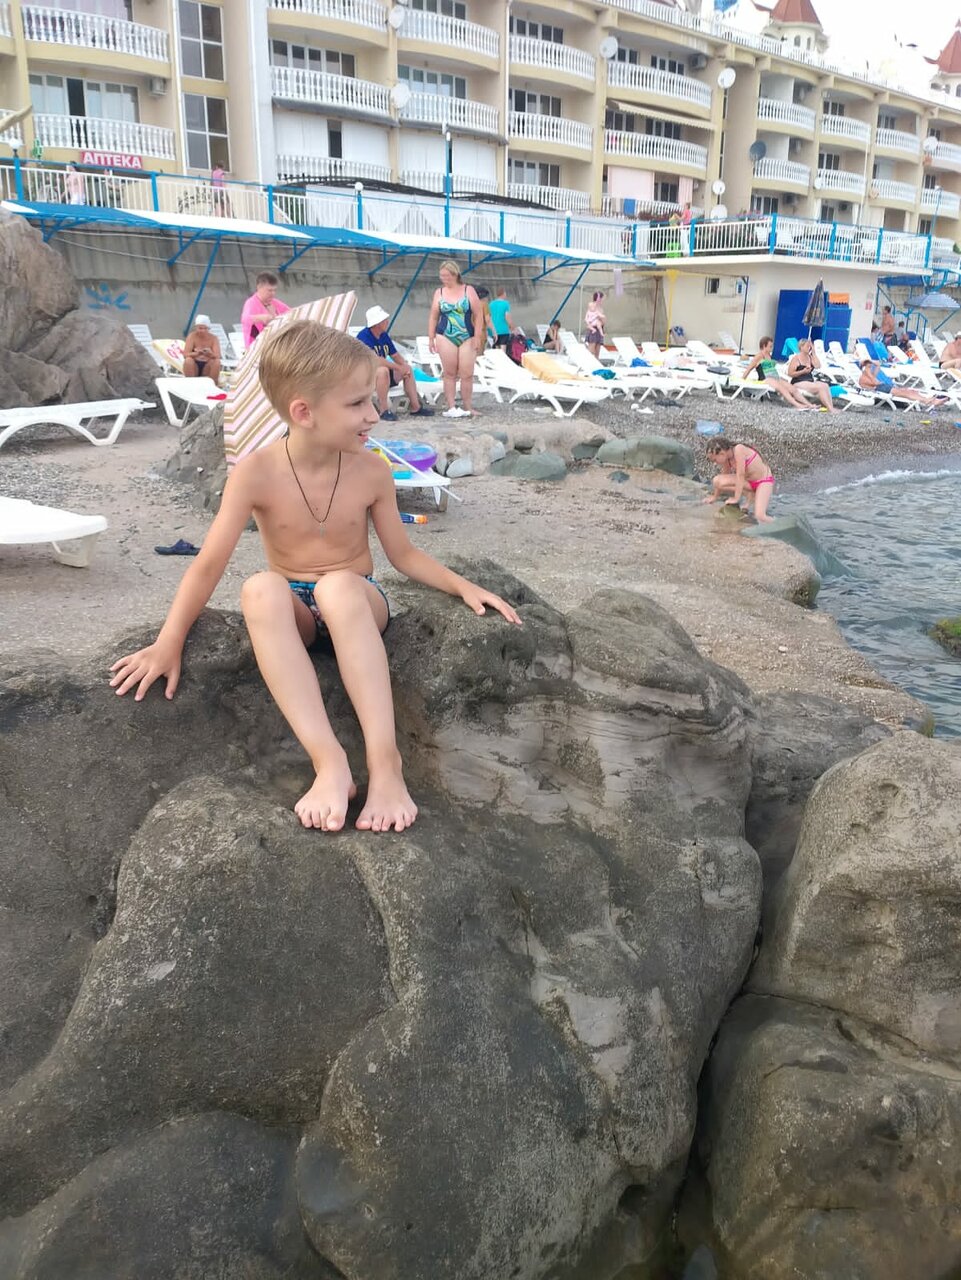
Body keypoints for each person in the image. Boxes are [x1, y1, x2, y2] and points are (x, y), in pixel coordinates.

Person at [110, 320, 521, 833]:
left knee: (338, 586)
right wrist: (169, 641)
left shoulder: (371, 470)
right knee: (259, 588)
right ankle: (330, 763)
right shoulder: (256, 473)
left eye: (372, 399)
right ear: (304, 412)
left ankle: (386, 765)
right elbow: (209, 563)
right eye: (357, 403)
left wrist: (464, 586)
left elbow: (402, 555)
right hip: (298, 611)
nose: (374, 414)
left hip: (357, 600)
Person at [355, 304, 434, 422]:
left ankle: (415, 407)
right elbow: (376, 360)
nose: (387, 322)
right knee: (383, 371)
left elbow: (394, 355)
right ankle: (383, 410)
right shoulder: (364, 337)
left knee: (407, 368)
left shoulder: (383, 335)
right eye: (384, 320)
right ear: (377, 323)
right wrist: (397, 367)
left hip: (382, 375)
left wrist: (403, 366)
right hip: (367, 376)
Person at [428, 259, 484, 419]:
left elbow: (478, 314)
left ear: (455, 275)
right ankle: (451, 406)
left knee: (467, 373)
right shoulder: (439, 293)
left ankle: (468, 406)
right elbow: (433, 316)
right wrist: (431, 337)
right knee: (449, 373)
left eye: (447, 275)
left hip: (467, 334)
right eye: (442, 276)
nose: (444, 279)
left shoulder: (468, 290)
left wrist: (478, 336)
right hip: (445, 335)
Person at [702, 439, 776, 524]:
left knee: (760, 516)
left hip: (763, 482)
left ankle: (779, 523)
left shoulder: (738, 449)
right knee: (717, 481)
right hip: (748, 482)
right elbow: (724, 476)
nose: (715, 463)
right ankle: (750, 495)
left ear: (722, 453)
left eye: (715, 460)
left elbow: (740, 475)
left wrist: (736, 498)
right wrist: (714, 497)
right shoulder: (727, 458)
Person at [742, 336, 818, 410]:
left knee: (793, 389)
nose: (772, 348)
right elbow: (749, 369)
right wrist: (742, 380)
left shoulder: (768, 355)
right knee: (782, 389)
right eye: (770, 346)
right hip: (766, 378)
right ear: (764, 346)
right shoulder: (759, 356)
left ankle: (809, 404)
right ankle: (798, 405)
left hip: (775, 377)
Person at [858, 358, 947, 406]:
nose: (870, 366)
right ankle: (928, 401)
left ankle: (931, 400)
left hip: (884, 387)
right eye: (868, 365)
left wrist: (870, 361)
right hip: (880, 389)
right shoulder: (864, 377)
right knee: (906, 393)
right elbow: (875, 383)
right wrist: (867, 370)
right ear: (864, 367)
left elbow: (878, 364)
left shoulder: (869, 373)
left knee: (910, 391)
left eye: (870, 365)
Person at [241, 271, 290, 349]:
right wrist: (260, 318)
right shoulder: (251, 303)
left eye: (274, 290)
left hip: (275, 345)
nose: (273, 293)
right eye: (269, 290)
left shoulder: (275, 303)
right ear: (259, 288)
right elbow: (245, 319)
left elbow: (291, 312)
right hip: (258, 348)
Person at [785, 338, 836, 411]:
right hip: (798, 382)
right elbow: (790, 373)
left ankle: (831, 407)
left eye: (810, 346)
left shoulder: (810, 357)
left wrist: (814, 353)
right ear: (801, 347)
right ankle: (830, 408)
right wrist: (802, 371)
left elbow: (818, 366)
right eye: (807, 346)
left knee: (825, 385)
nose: (809, 348)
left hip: (809, 381)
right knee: (820, 387)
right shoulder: (796, 358)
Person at [183, 314, 222, 383]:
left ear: (208, 329)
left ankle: (213, 384)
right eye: (200, 328)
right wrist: (197, 353)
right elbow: (185, 354)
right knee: (188, 360)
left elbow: (218, 356)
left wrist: (210, 354)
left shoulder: (213, 338)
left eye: (205, 329)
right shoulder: (192, 336)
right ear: (196, 328)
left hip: (207, 365)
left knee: (216, 362)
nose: (203, 331)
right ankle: (190, 384)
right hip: (195, 364)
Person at [584, 291, 605, 359]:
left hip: (599, 329)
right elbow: (588, 318)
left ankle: (596, 362)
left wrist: (601, 320)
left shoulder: (601, 308)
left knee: (597, 351)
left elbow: (603, 321)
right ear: (598, 298)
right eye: (602, 298)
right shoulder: (592, 306)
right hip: (593, 330)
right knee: (591, 350)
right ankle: (588, 362)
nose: (603, 300)